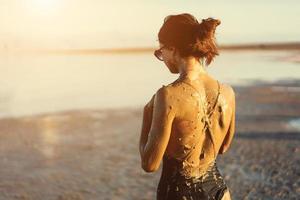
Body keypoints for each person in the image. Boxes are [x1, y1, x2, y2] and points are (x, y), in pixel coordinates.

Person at [139, 13, 236, 200]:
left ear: (172, 49)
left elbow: (149, 164)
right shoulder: (228, 92)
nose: (162, 57)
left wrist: (146, 116)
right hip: (218, 191)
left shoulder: (169, 95)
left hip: (179, 194)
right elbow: (223, 147)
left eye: (161, 52)